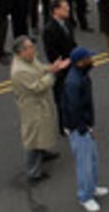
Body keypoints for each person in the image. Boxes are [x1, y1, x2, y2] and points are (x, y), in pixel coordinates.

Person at [10, 36, 69, 182]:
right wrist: (53, 74)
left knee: (41, 131)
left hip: (40, 103)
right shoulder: (19, 71)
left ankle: (42, 153)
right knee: (33, 136)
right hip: (32, 106)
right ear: (21, 51)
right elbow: (37, 87)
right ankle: (33, 172)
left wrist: (52, 67)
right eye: (30, 47)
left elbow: (40, 68)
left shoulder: (29, 59)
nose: (33, 50)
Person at [62, 47, 109, 212]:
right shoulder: (74, 82)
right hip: (79, 128)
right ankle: (85, 196)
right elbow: (74, 109)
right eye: (89, 58)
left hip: (84, 125)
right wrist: (85, 129)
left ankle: (92, 187)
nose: (92, 60)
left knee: (93, 159)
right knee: (85, 164)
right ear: (81, 62)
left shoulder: (80, 75)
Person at [43, 0, 77, 133]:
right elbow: (51, 53)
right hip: (61, 68)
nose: (68, 9)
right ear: (55, 11)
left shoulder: (67, 23)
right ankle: (64, 125)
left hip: (71, 63)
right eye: (64, 7)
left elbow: (72, 42)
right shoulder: (49, 29)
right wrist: (63, 63)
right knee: (62, 97)